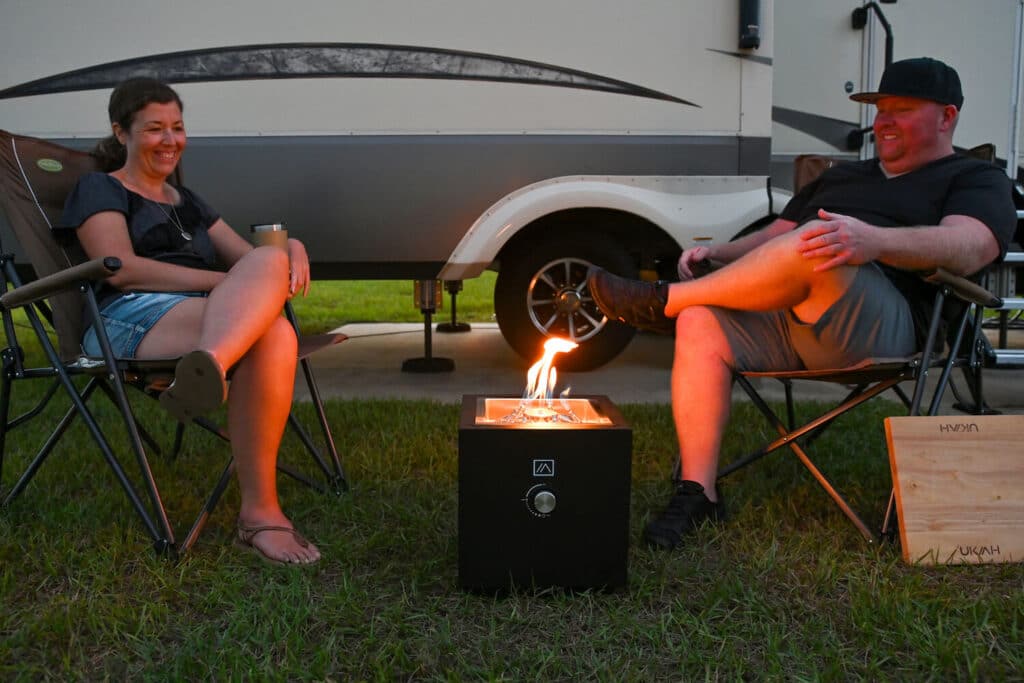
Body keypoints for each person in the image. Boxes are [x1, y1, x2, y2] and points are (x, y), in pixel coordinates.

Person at [587, 57, 1018, 550]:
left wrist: (871, 241)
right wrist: (718, 253)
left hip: (887, 328)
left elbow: (969, 247)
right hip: (795, 322)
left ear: (947, 117)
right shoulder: (842, 178)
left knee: (824, 241)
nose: (884, 122)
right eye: (880, 110)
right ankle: (698, 491)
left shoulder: (977, 178)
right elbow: (778, 237)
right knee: (703, 320)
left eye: (902, 109)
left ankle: (663, 302)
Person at [62, 78, 321, 566]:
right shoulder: (99, 188)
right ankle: (260, 515)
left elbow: (256, 264)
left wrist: (293, 248)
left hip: (204, 320)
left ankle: (206, 368)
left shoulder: (190, 201)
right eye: (155, 128)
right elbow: (119, 267)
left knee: (273, 308)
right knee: (273, 328)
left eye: (177, 128)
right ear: (122, 133)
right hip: (125, 317)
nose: (170, 140)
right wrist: (222, 282)